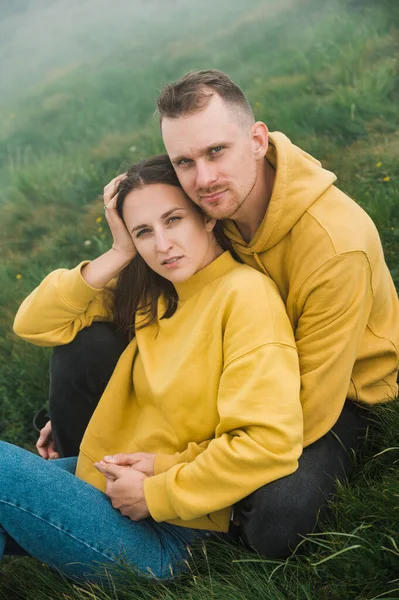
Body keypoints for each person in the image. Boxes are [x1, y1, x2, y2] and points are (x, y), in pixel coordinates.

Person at [35, 70, 399, 558]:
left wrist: (171, 467)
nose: (203, 179)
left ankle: (179, 523)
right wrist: (121, 249)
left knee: (280, 517)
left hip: (336, 392)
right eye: (184, 161)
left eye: (216, 151)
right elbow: (42, 323)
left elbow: (304, 411)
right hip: (233, 366)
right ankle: (95, 478)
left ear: (256, 139)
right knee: (83, 348)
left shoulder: (336, 244)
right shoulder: (203, 211)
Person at [7, 155, 303, 582]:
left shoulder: (244, 298)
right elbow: (34, 323)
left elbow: (268, 444)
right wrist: (119, 252)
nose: (162, 245)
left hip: (176, 534)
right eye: (144, 232)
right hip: (112, 486)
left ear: (206, 218)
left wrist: (155, 492)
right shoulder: (156, 293)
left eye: (173, 220)